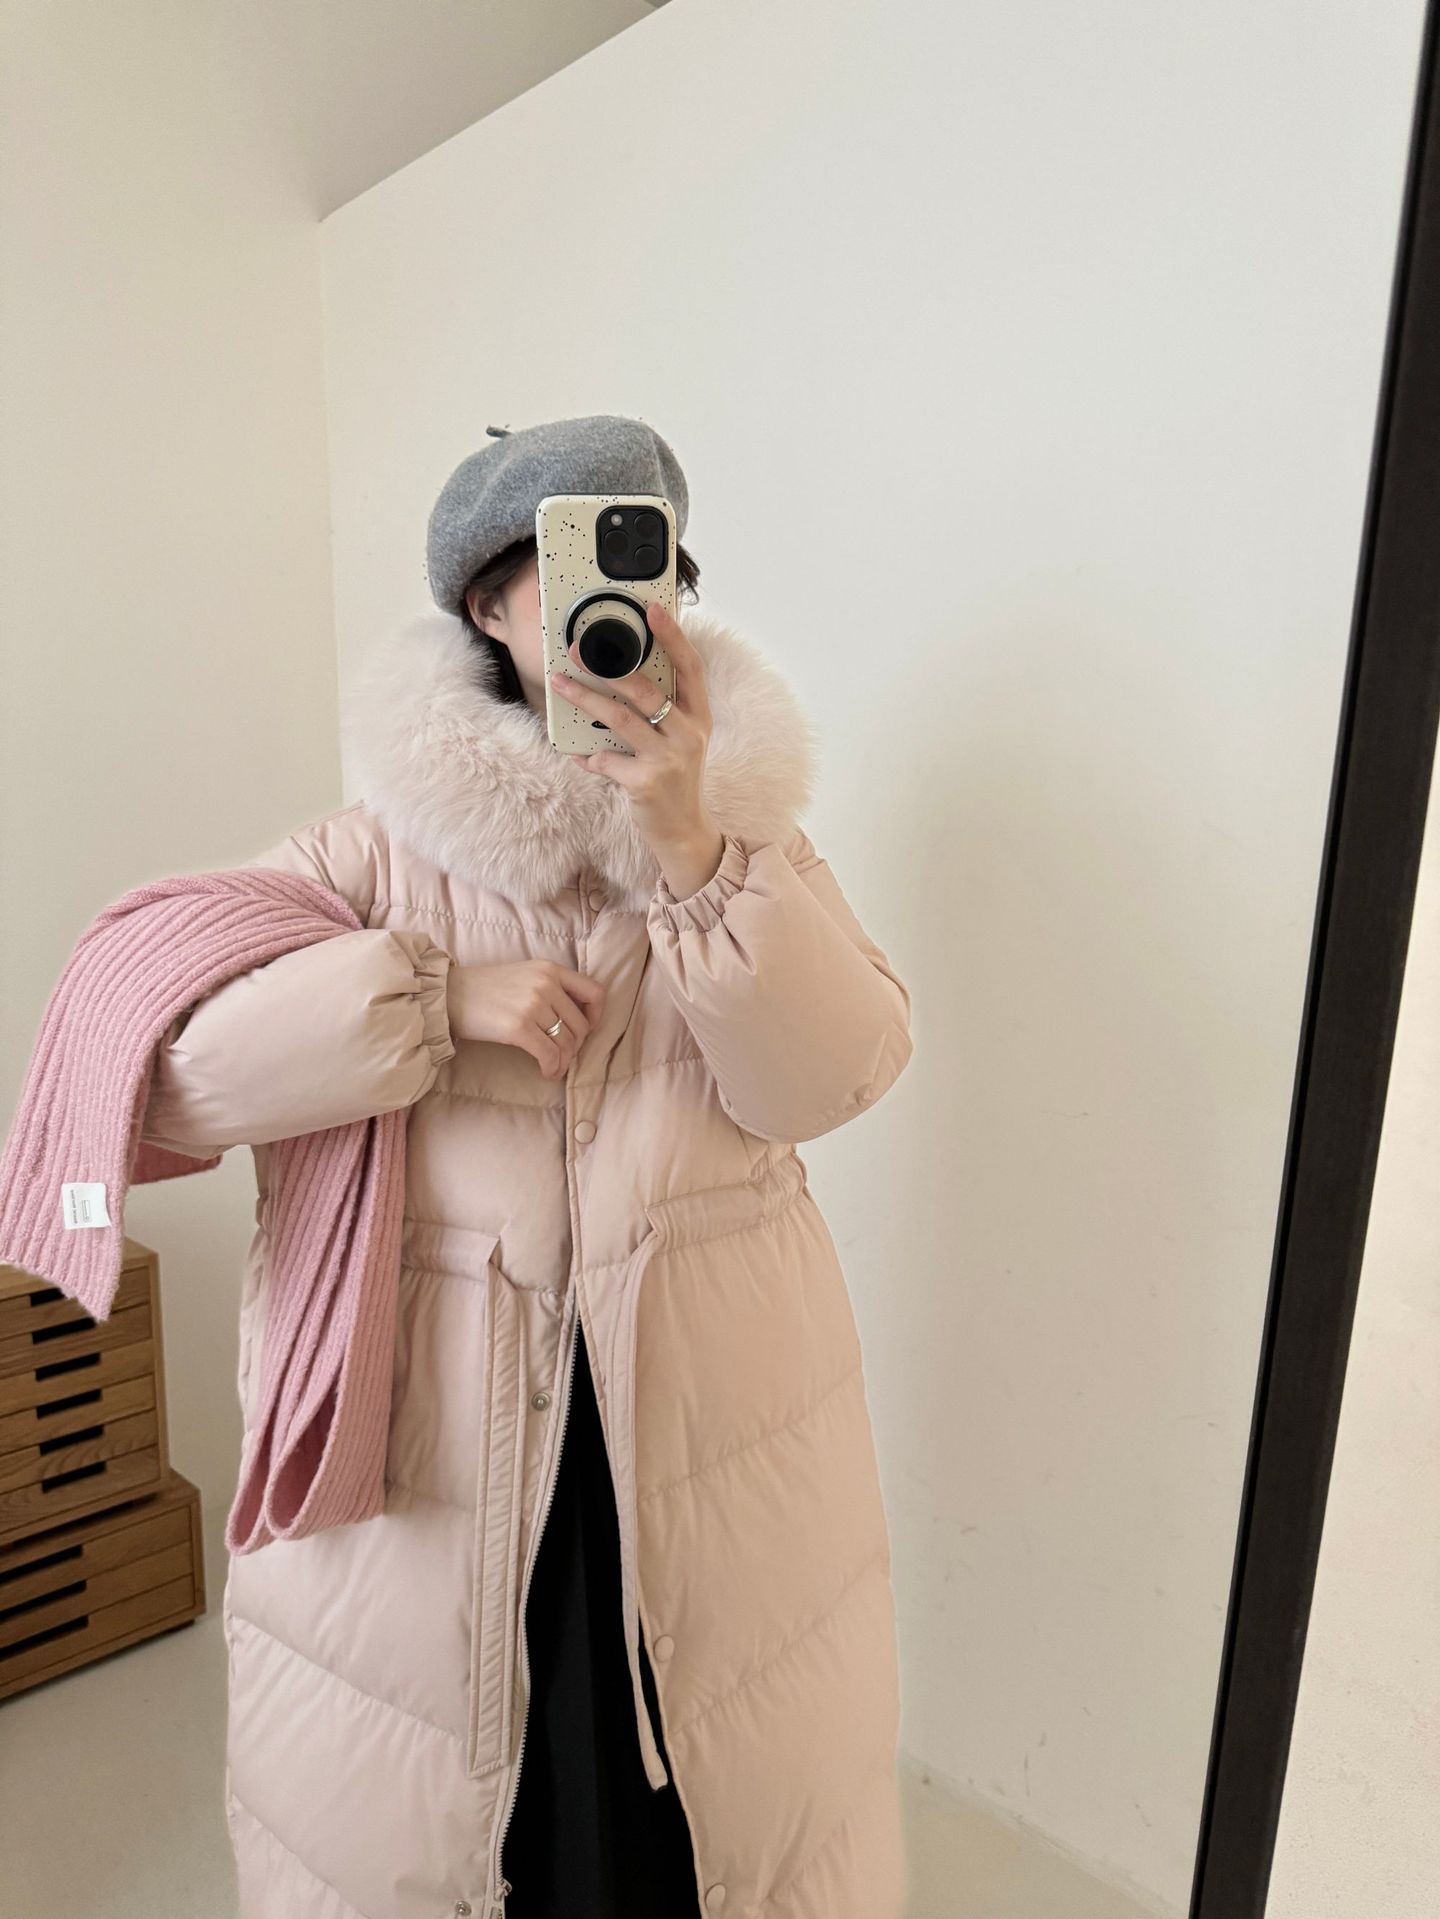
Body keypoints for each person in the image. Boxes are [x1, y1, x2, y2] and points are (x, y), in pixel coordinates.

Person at [139, 413, 915, 1919]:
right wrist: (424, 1000)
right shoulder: (365, 860)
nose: (604, 606)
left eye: (644, 561)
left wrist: (692, 849)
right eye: (556, 565)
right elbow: (168, 1081)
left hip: (709, 1453)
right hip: (435, 1470)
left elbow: (839, 1075)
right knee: (468, 1840)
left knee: (696, 1842)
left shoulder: (746, 845)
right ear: (487, 608)